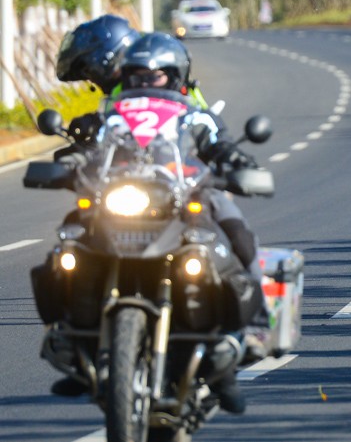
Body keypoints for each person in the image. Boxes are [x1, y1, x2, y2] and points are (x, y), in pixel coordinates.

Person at [51, 32, 263, 413]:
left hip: (185, 196)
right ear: (125, 76)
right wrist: (69, 154)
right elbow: (84, 143)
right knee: (69, 240)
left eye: (157, 75)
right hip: (121, 199)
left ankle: (241, 343)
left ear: (176, 75)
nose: (146, 83)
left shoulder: (195, 114)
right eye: (137, 75)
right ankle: (76, 343)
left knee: (239, 238)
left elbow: (219, 143)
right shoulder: (108, 115)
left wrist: (235, 160)